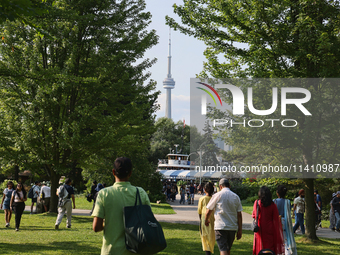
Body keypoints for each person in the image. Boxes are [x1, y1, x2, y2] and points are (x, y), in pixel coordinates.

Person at [92, 157, 151, 255]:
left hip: (111, 251)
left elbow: (96, 227)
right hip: (136, 250)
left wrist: (109, 223)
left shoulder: (104, 194)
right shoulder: (140, 193)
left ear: (113, 172)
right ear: (130, 173)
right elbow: (148, 221)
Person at [205, 178, 242, 255]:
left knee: (223, 249)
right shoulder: (236, 197)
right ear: (229, 186)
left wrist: (206, 220)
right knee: (227, 249)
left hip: (220, 227)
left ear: (220, 186)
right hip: (232, 227)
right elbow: (239, 215)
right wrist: (240, 230)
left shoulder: (217, 195)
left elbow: (209, 211)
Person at [253, 186, 284, 255]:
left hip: (260, 227)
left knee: (260, 245)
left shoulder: (257, 203)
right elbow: (276, 217)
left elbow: (254, 215)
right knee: (270, 246)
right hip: (270, 228)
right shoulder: (273, 205)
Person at [274, 185, 297, 255]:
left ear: (277, 193)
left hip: (277, 221)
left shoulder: (274, 201)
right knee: (286, 238)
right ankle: (287, 252)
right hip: (285, 221)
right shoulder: (287, 201)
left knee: (278, 237)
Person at [198, 182, 215, 255]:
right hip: (213, 218)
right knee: (211, 235)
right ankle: (210, 250)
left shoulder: (202, 199)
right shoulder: (214, 198)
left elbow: (199, 211)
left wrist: (201, 220)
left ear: (204, 189)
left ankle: (207, 252)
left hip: (204, 219)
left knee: (205, 236)